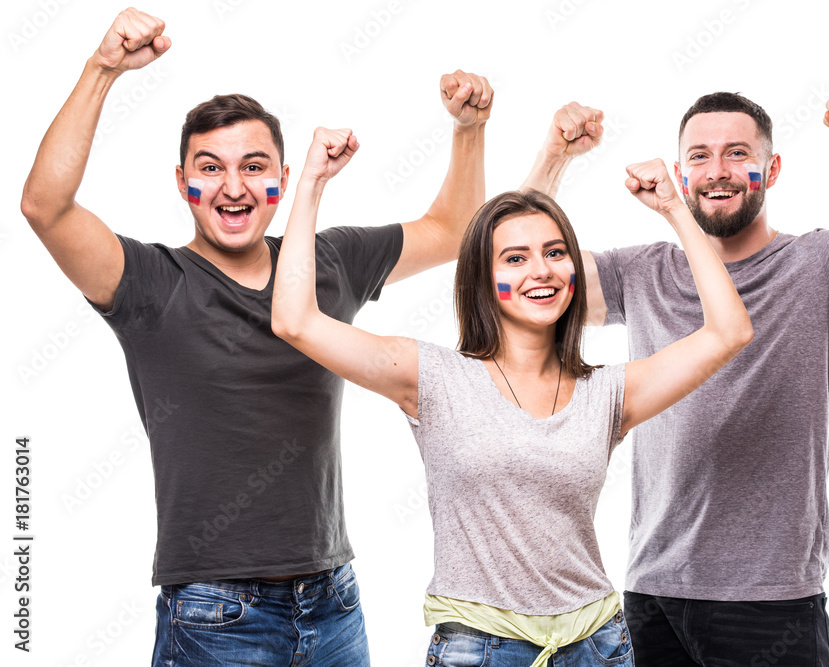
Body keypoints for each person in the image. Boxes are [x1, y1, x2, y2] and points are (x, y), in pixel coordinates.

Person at [19, 8, 492, 665]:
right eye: (209, 168)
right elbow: (45, 206)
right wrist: (102, 69)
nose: (234, 187)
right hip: (215, 617)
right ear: (183, 184)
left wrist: (469, 130)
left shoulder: (329, 263)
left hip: (335, 604)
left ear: (283, 181)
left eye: (254, 166)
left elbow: (454, 226)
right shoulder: (152, 283)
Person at [270, 108, 753, 664]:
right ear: (484, 279)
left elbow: (729, 330)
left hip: (597, 643)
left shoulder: (608, 394)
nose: (541, 271)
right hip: (479, 648)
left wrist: (674, 209)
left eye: (554, 253)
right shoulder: (431, 377)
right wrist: (310, 181)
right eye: (515, 258)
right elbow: (295, 321)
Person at [523, 86, 829, 665]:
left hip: (771, 604)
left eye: (738, 154)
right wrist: (552, 159)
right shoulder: (641, 272)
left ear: (773, 168)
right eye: (698, 156)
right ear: (680, 172)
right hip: (651, 593)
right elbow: (507, 280)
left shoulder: (822, 264)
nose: (718, 171)